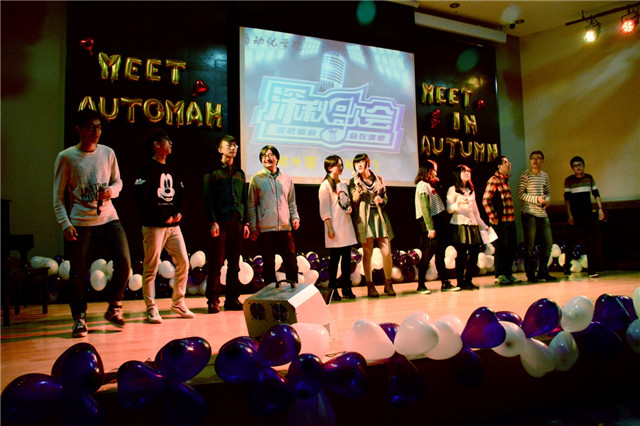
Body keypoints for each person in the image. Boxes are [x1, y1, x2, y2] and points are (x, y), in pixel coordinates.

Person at [53, 108, 132, 337]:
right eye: (91, 127)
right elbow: (58, 196)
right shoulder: (67, 156)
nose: (96, 132)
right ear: (79, 129)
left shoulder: (107, 153)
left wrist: (111, 191)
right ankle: (79, 318)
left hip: (108, 217)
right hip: (80, 221)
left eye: (99, 127)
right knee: (78, 272)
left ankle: (115, 306)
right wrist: (65, 223)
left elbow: (118, 182)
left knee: (124, 262)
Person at [134, 128, 195, 324]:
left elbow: (182, 195)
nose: (171, 144)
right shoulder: (146, 168)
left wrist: (179, 213)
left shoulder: (173, 169)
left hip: (173, 226)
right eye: (167, 140)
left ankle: (178, 302)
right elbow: (141, 197)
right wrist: (162, 215)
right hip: (154, 226)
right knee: (151, 266)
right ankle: (151, 307)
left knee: (183, 261)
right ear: (156, 145)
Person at [203, 135, 250, 313]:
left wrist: (246, 222)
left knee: (234, 264)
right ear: (220, 149)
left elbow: (244, 199)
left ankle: (232, 299)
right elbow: (207, 199)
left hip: (237, 222)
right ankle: (213, 300)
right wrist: (212, 221)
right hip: (220, 222)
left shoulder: (240, 173)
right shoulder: (212, 172)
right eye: (229, 145)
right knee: (216, 263)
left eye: (235, 145)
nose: (233, 148)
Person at [248, 145, 300, 286]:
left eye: (270, 155)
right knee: (269, 264)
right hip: (265, 229)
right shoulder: (256, 179)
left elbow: (291, 202)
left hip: (284, 227)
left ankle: (293, 291)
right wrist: (253, 227)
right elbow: (251, 205)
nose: (267, 158)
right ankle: (270, 293)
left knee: (291, 262)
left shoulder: (287, 178)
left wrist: (295, 218)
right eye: (264, 156)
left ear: (277, 158)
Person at [349, 153, 395, 297]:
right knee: (367, 252)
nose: (359, 165)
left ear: (367, 163)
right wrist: (357, 191)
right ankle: (370, 285)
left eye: (361, 162)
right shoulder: (354, 181)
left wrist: (382, 200)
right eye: (356, 163)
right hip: (365, 218)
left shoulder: (378, 178)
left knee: (386, 251)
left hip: (379, 216)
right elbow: (354, 202)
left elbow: (386, 197)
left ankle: (388, 283)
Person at [414, 160, 460, 293]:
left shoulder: (430, 185)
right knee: (427, 254)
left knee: (440, 253)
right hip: (429, 222)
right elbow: (425, 208)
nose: (436, 172)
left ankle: (445, 283)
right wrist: (430, 228)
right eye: (434, 170)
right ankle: (421, 285)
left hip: (438, 220)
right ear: (428, 171)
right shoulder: (422, 186)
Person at [318, 155, 358, 301]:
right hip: (334, 227)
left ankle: (347, 288)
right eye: (338, 165)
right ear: (329, 167)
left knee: (347, 260)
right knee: (334, 261)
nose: (341, 167)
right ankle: (333, 290)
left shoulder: (343, 184)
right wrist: (329, 228)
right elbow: (324, 210)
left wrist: (349, 208)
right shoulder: (325, 186)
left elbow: (346, 202)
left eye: (342, 165)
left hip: (346, 226)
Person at [446, 164, 488, 290]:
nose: (467, 173)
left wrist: (484, 226)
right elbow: (448, 209)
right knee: (462, 254)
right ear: (458, 174)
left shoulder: (471, 190)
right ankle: (460, 281)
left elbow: (476, 212)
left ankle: (469, 280)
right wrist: (457, 203)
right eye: (464, 171)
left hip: (472, 225)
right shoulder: (453, 189)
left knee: (474, 254)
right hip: (460, 224)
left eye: (468, 171)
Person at [517, 150, 557, 283]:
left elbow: (548, 192)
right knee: (530, 245)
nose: (535, 160)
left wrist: (547, 200)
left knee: (548, 243)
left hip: (542, 212)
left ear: (542, 161)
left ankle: (543, 271)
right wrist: (536, 199)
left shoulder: (544, 175)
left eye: (538, 158)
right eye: (532, 158)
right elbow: (520, 194)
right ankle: (530, 273)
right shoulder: (526, 175)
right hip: (529, 213)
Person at [482, 156, 522, 285]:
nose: (509, 164)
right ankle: (500, 275)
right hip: (500, 221)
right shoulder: (494, 180)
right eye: (506, 162)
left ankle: (508, 273)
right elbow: (486, 200)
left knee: (511, 247)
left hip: (510, 219)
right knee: (501, 248)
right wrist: (493, 216)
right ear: (499, 166)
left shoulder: (505, 180)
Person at [563, 156, 605, 278]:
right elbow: (567, 199)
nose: (578, 167)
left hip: (587, 213)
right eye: (575, 165)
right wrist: (569, 214)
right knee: (571, 241)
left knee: (590, 241)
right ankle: (567, 266)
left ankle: (591, 269)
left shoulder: (589, 178)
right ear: (572, 168)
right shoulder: (569, 180)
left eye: (580, 164)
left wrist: (600, 208)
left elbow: (596, 193)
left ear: (584, 165)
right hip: (575, 214)